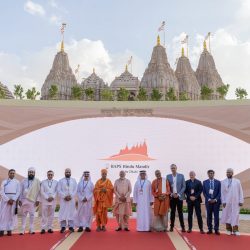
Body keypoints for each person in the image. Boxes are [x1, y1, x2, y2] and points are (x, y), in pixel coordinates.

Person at [221, 168, 244, 236]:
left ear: (232, 173)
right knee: (227, 215)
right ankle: (228, 229)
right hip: (227, 202)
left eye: (229, 172)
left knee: (235, 215)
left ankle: (235, 230)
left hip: (235, 202)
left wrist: (241, 200)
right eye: (227, 172)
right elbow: (222, 192)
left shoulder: (237, 181)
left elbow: (240, 191)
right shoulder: (223, 182)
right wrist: (223, 201)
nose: (228, 173)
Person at [19, 167, 41, 235]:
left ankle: (31, 229)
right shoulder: (23, 181)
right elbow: (20, 191)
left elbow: (39, 192)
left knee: (32, 215)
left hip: (32, 201)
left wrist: (38, 200)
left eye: (32, 172)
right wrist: (19, 200)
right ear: (28, 173)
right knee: (24, 215)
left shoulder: (37, 181)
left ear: (34, 173)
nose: (31, 173)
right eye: (30, 172)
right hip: (24, 200)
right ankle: (22, 229)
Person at [0, 169, 21, 237]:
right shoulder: (4, 181)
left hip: (13, 201)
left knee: (11, 215)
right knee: (3, 215)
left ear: (14, 174)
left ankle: (9, 229)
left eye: (13, 173)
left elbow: (18, 192)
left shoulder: (17, 182)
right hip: (5, 200)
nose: (12, 174)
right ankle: (1, 229)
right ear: (8, 174)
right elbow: (1, 191)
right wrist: (7, 199)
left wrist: (13, 199)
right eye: (11, 173)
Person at [167, 164, 186, 232]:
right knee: (172, 212)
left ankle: (183, 227)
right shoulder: (168, 176)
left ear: (176, 168)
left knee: (180, 212)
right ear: (170, 169)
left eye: (174, 168)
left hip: (179, 197)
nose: (173, 169)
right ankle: (171, 227)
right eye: (172, 168)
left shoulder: (181, 176)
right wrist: (171, 194)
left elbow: (184, 186)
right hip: (172, 197)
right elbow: (167, 187)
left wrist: (178, 194)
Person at [58, 168, 77, 233]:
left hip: (71, 200)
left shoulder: (74, 180)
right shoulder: (61, 181)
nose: (68, 173)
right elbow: (59, 190)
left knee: (71, 213)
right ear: (64, 173)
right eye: (66, 172)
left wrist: (71, 196)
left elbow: (75, 189)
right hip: (64, 200)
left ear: (70, 173)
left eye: (69, 172)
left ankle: (71, 226)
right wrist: (64, 196)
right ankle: (63, 227)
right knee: (63, 213)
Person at [203, 169, 221, 235]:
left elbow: (220, 192)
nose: (211, 174)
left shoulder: (218, 182)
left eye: (212, 173)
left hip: (216, 202)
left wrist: (215, 199)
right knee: (209, 216)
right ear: (208, 174)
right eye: (209, 173)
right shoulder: (204, 182)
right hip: (208, 202)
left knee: (216, 216)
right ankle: (210, 229)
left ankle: (216, 229)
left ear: (214, 174)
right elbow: (204, 192)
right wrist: (209, 199)